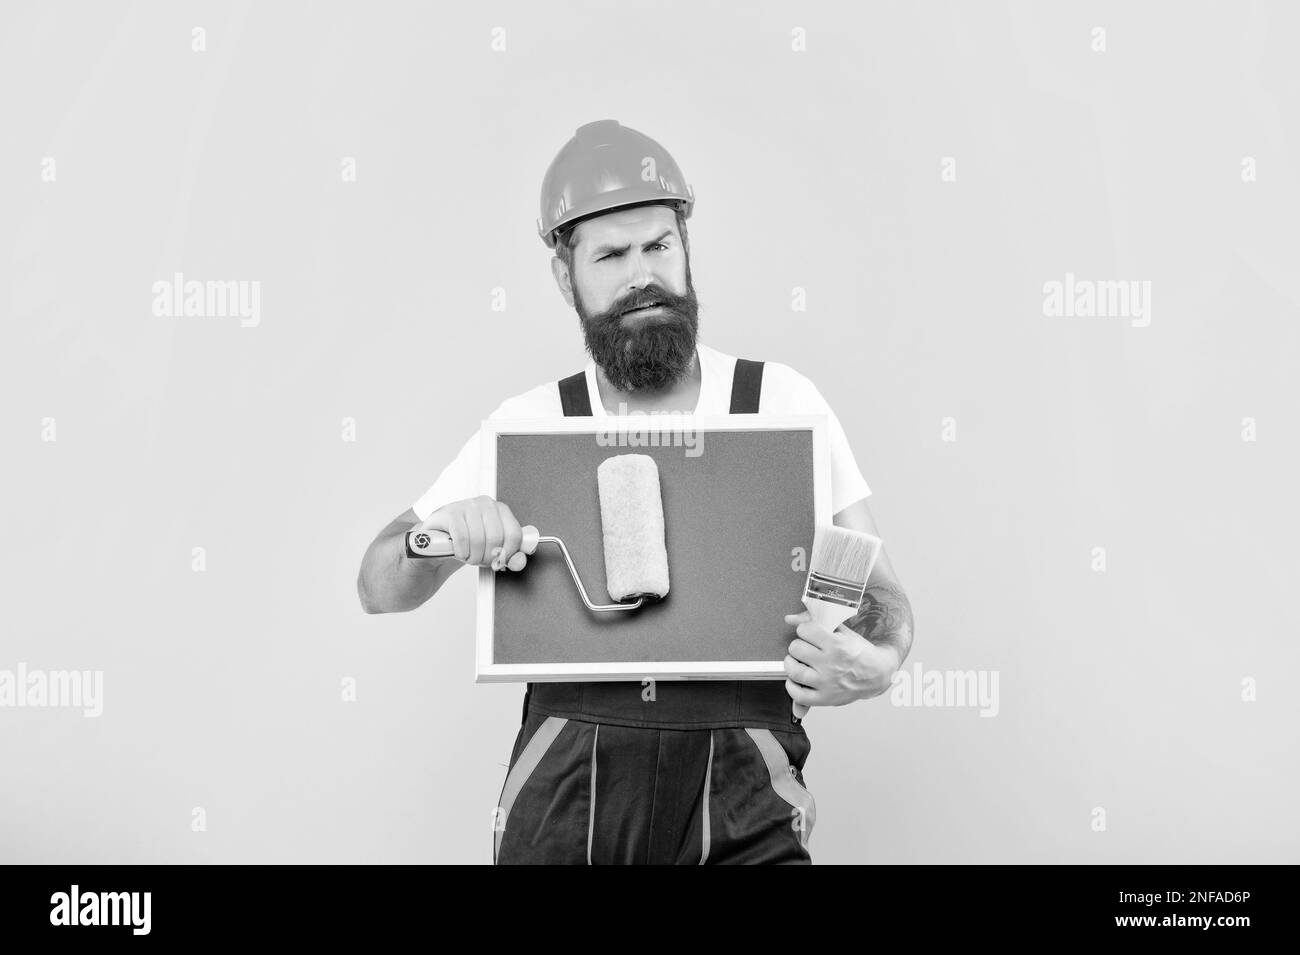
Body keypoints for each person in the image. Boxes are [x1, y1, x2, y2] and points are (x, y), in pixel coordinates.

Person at [357, 120, 914, 864]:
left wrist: (877, 661)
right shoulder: (530, 425)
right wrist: (445, 538)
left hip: (748, 784)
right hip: (569, 784)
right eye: (611, 255)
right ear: (566, 277)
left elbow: (879, 600)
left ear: (687, 246)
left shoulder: (781, 403)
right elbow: (379, 582)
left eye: (658, 245)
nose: (640, 275)